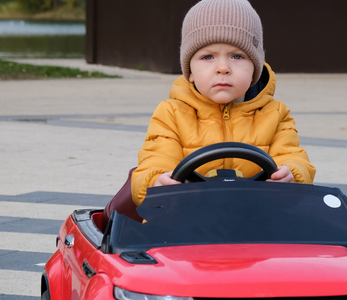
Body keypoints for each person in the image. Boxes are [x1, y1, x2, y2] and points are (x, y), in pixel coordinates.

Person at [129, 0, 316, 207]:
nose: (223, 68)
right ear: (189, 72)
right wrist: (156, 181)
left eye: (237, 56)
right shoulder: (172, 113)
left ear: (254, 68)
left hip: (259, 214)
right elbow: (155, 160)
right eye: (208, 57)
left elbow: (293, 157)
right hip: (186, 216)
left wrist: (293, 174)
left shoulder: (275, 113)